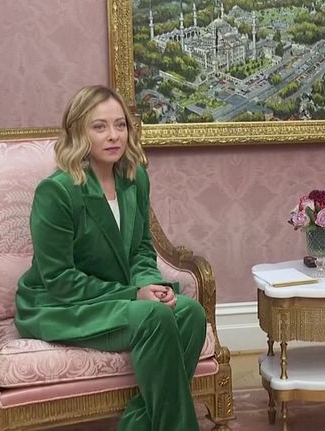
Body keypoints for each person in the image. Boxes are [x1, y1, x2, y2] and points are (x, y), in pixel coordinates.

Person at [14, 85, 206, 431]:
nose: (114, 135)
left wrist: (149, 284)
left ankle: (136, 423)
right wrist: (134, 294)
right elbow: (59, 281)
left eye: (120, 125)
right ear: (79, 132)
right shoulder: (56, 192)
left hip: (116, 300)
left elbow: (142, 249)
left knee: (190, 312)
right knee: (153, 315)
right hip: (61, 305)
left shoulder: (135, 178)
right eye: (99, 127)